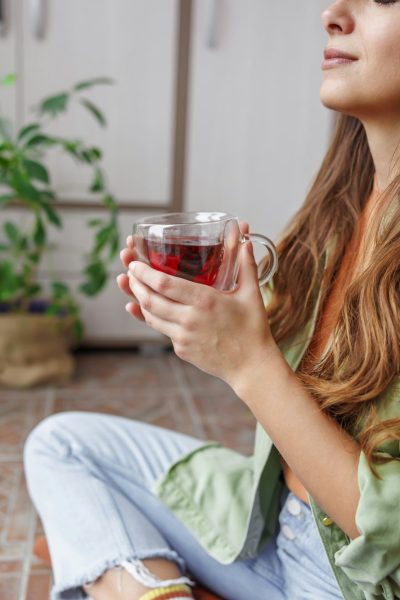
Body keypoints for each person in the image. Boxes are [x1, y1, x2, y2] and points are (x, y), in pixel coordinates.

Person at [23, 1, 400, 599]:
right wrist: (217, 325)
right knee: (61, 444)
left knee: (90, 535)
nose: (331, 14)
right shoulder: (342, 206)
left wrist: (249, 363)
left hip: (352, 581)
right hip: (269, 525)